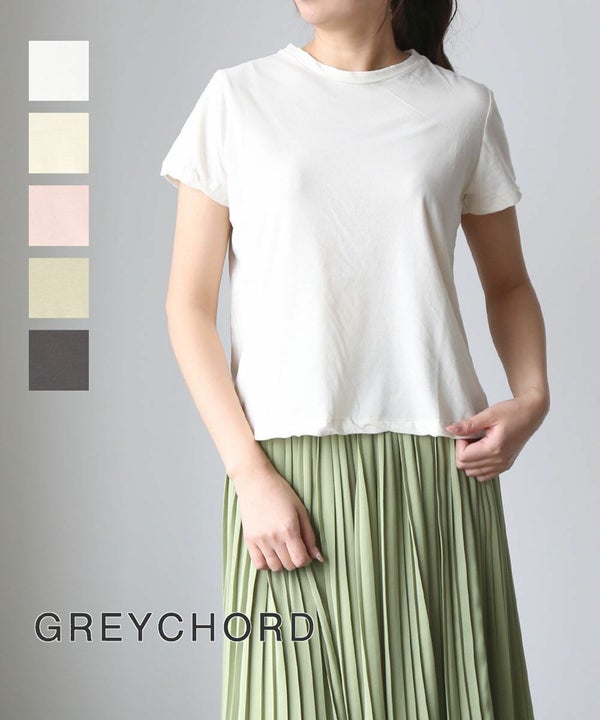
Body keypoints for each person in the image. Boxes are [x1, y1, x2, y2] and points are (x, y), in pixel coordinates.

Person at [160, 1, 549, 717]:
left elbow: (509, 283)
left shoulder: (463, 109)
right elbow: (187, 306)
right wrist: (249, 475)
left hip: (437, 467)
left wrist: (532, 399)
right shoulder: (237, 98)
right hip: (285, 477)